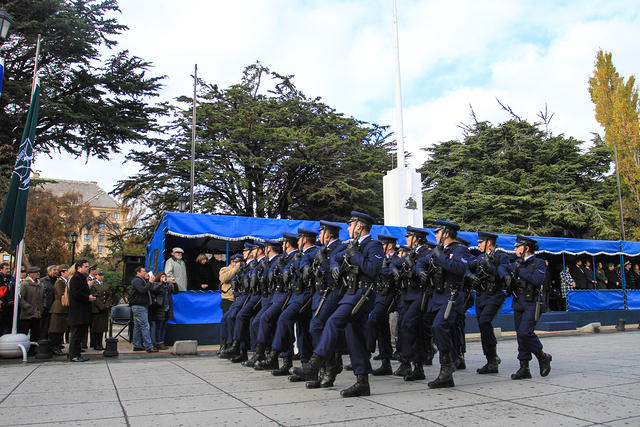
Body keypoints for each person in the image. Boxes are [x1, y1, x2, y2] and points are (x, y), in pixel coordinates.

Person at [295, 211, 384, 398]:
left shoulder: (373, 245)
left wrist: (356, 255)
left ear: (359, 226)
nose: (349, 229)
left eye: (351, 225)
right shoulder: (352, 245)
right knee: (355, 337)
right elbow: (336, 257)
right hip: (350, 293)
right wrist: (335, 265)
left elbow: (372, 270)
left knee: (334, 321)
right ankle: (362, 382)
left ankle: (315, 363)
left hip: (363, 293)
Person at [416, 220, 471, 389]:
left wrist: (440, 257)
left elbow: (459, 269)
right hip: (438, 295)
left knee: (440, 326)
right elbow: (421, 262)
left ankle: (447, 366)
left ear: (446, 233)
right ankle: (449, 365)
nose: (437, 235)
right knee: (434, 328)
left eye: (439, 232)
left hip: (452, 295)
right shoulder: (441, 251)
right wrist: (420, 271)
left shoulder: (460, 249)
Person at [500, 235, 552, 380]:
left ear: (526, 249)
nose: (515, 249)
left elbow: (537, 279)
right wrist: (506, 276)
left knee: (525, 332)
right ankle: (524, 367)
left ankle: (542, 356)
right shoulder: (517, 263)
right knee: (520, 335)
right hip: (519, 301)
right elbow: (502, 267)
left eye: (518, 247)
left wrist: (519, 270)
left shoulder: (539, 263)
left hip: (532, 302)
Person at [467, 231, 510, 374]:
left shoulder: (501, 256)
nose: (478, 244)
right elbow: (468, 266)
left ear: (488, 243)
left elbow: (502, 273)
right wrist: (471, 276)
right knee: (482, 325)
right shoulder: (480, 257)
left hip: (494, 295)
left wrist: (490, 266)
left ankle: (492, 358)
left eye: (480, 242)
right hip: (481, 295)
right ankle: (490, 359)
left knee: (485, 321)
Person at [392, 226, 431, 381]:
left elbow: (423, 270)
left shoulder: (427, 253)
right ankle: (407, 362)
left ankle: (415, 362)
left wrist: (411, 266)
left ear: (417, 238)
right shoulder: (411, 253)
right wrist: (395, 269)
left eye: (410, 237)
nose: (407, 240)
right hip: (407, 294)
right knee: (403, 325)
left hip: (420, 294)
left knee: (412, 326)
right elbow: (395, 263)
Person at [366, 234, 398, 377]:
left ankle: (365, 353)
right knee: (381, 327)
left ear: (389, 246)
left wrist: (383, 269)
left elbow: (392, 271)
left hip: (391, 296)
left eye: (383, 245)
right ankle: (386, 362)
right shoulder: (384, 259)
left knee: (373, 321)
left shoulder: (397, 259)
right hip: (380, 295)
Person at [68, 260, 96, 362]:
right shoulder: (76, 278)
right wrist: (87, 297)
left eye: (88, 266)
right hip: (77, 312)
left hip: (83, 311)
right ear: (79, 267)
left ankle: (77, 353)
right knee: (76, 334)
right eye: (85, 266)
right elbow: (76, 294)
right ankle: (74, 355)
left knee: (80, 334)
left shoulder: (82, 278)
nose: (87, 268)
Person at [129, 266, 157, 353]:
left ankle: (137, 345)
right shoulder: (137, 280)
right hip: (139, 305)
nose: (145, 273)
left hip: (142, 305)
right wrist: (149, 282)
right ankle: (149, 346)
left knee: (138, 326)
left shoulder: (141, 280)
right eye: (143, 271)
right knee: (145, 326)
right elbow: (142, 290)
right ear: (138, 272)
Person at [150, 271, 179, 350]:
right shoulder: (156, 284)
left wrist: (174, 283)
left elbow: (176, 292)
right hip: (159, 308)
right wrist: (161, 283)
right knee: (159, 326)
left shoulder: (168, 286)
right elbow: (154, 291)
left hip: (167, 308)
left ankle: (162, 341)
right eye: (162, 277)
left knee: (164, 326)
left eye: (165, 277)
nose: (164, 278)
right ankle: (158, 342)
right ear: (159, 278)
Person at [48, 264, 70, 355]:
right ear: (62, 273)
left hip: (63, 308)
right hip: (58, 308)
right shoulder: (59, 282)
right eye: (67, 272)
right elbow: (62, 294)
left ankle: (58, 345)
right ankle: (54, 347)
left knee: (61, 328)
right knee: (56, 329)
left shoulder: (65, 282)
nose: (69, 274)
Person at [18, 266, 44, 342]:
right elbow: (20, 298)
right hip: (27, 313)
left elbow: (44, 296)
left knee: (35, 333)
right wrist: (28, 307)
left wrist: (42, 307)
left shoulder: (40, 284)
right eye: (36, 272)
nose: (38, 274)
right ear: (30, 274)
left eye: (38, 272)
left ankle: (33, 350)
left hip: (37, 312)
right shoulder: (25, 284)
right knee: (24, 332)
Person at [89, 269, 110, 350]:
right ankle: (95, 343)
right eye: (99, 275)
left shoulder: (105, 285)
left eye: (102, 275)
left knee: (102, 327)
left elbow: (108, 296)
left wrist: (106, 305)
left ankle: (100, 343)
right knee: (96, 327)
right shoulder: (93, 285)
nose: (101, 277)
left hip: (104, 308)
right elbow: (95, 297)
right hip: (97, 308)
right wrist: (101, 306)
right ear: (96, 276)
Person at [40, 265, 59, 340]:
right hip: (46, 307)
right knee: (45, 327)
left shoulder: (58, 280)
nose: (56, 272)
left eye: (57, 270)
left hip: (55, 308)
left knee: (54, 328)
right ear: (49, 271)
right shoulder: (43, 281)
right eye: (54, 270)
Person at [0, 262, 15, 335]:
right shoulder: (1, 279)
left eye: (9, 268)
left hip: (11, 306)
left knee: (9, 325)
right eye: (6, 269)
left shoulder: (12, 279)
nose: (8, 270)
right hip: (3, 306)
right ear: (1, 270)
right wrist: (5, 301)